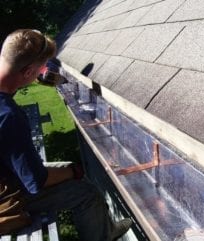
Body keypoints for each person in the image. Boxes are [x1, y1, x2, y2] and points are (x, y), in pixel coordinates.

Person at [0, 29, 132, 240]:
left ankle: (103, 229)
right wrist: (73, 171)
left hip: (7, 173)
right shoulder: (10, 117)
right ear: (27, 72)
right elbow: (36, 181)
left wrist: (32, 76)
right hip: (6, 198)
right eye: (39, 70)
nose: (41, 74)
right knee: (86, 192)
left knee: (69, 168)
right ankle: (103, 236)